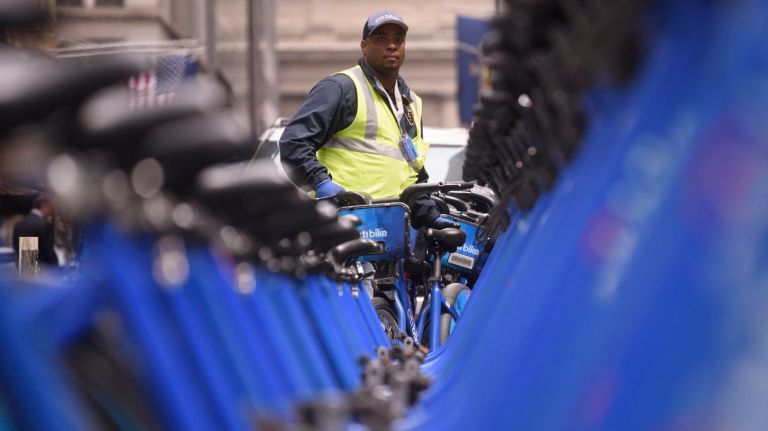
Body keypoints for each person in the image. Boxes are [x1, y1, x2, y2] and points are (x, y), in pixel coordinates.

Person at [280, 10, 454, 229]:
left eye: (398, 40)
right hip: (343, 222)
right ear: (364, 46)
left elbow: (412, 171)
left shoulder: (411, 102)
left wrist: (429, 215)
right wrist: (321, 182)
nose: (392, 46)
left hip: (390, 231)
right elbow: (294, 143)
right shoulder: (341, 88)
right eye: (381, 39)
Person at [12, 195, 58, 266]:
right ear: (44, 206)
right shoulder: (44, 225)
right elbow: (48, 251)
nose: (51, 211)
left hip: (24, 268)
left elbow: (15, 245)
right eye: (50, 208)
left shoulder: (19, 223)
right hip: (42, 271)